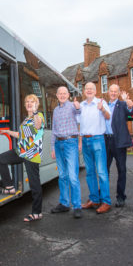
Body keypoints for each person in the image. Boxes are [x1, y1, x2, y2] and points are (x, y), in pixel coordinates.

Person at [0, 94, 45, 222]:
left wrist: (35, 111)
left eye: (32, 101)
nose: (29, 103)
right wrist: (8, 132)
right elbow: (20, 135)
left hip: (31, 153)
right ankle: (10, 187)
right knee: (0, 160)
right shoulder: (26, 119)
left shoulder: (38, 116)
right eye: (27, 101)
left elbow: (38, 126)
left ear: (36, 104)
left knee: (34, 183)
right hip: (21, 150)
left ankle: (37, 212)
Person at [78, 82, 112, 214]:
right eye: (87, 89)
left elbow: (108, 117)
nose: (89, 90)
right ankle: (94, 199)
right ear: (84, 91)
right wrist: (80, 141)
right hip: (85, 140)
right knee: (90, 172)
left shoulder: (101, 102)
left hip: (97, 139)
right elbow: (80, 125)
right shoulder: (81, 105)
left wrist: (102, 109)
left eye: (91, 88)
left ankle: (106, 202)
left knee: (102, 172)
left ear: (95, 90)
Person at [50, 86, 83, 218]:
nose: (62, 95)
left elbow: (80, 116)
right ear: (57, 95)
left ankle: (77, 206)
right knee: (62, 175)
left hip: (70, 143)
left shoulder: (72, 107)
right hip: (58, 144)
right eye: (60, 93)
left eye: (65, 93)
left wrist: (78, 107)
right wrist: (52, 147)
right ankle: (64, 203)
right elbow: (53, 130)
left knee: (73, 176)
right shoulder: (55, 110)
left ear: (68, 95)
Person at [105, 85, 133, 208]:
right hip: (106, 140)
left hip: (119, 142)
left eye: (115, 91)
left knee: (121, 169)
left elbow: (131, 115)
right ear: (108, 92)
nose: (113, 93)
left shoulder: (122, 105)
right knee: (104, 170)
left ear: (118, 93)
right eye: (111, 91)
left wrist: (130, 105)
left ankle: (121, 197)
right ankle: (104, 197)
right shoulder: (104, 105)